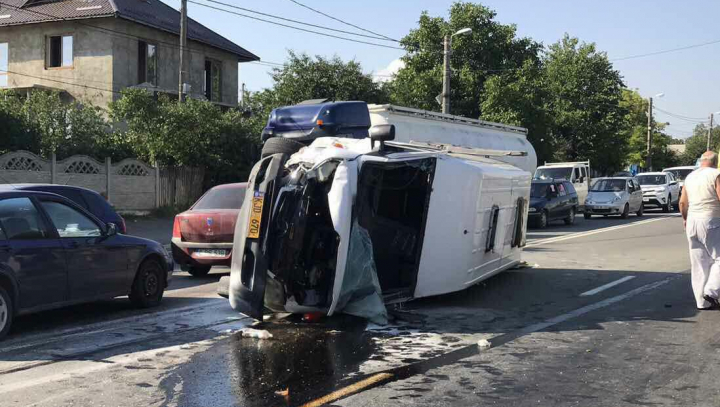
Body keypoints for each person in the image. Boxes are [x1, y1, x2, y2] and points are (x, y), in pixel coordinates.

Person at [679, 151, 720, 309]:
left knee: (699, 262)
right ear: (715, 162)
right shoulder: (716, 174)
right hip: (711, 219)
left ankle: (702, 302)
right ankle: (711, 291)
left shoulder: (690, 177)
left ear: (701, 161)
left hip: (692, 221)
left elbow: (682, 203)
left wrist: (685, 219)